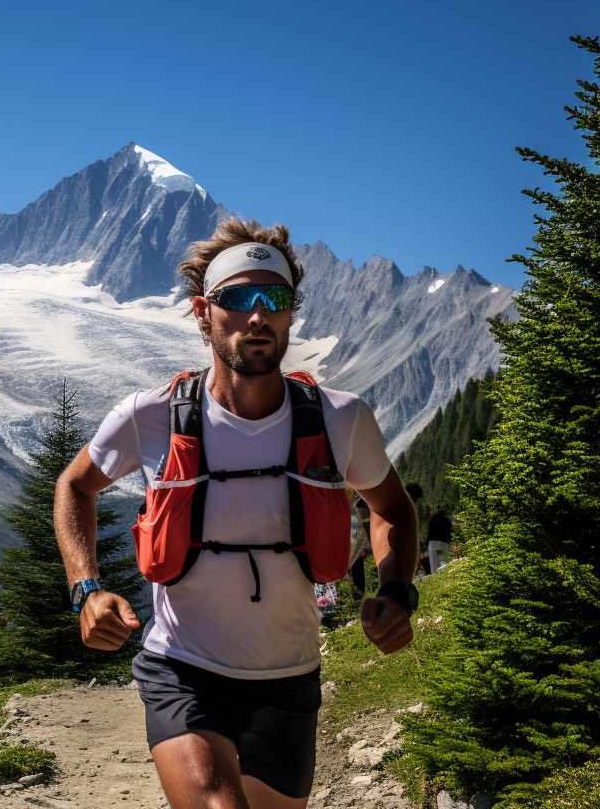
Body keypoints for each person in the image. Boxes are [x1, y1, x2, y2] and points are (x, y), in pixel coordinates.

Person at [53, 218, 419, 809]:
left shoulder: (340, 419)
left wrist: (397, 590)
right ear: (203, 312)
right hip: (182, 668)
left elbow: (394, 510)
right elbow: (75, 486)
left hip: (289, 675)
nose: (258, 316)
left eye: (274, 299)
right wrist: (85, 588)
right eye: (237, 299)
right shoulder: (150, 416)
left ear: (291, 312)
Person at [426, 509, 453, 574]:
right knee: (445, 564)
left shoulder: (433, 519)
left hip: (432, 543)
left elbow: (429, 532)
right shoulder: (447, 521)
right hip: (444, 543)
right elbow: (449, 533)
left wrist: (426, 544)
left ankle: (436, 581)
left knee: (434, 567)